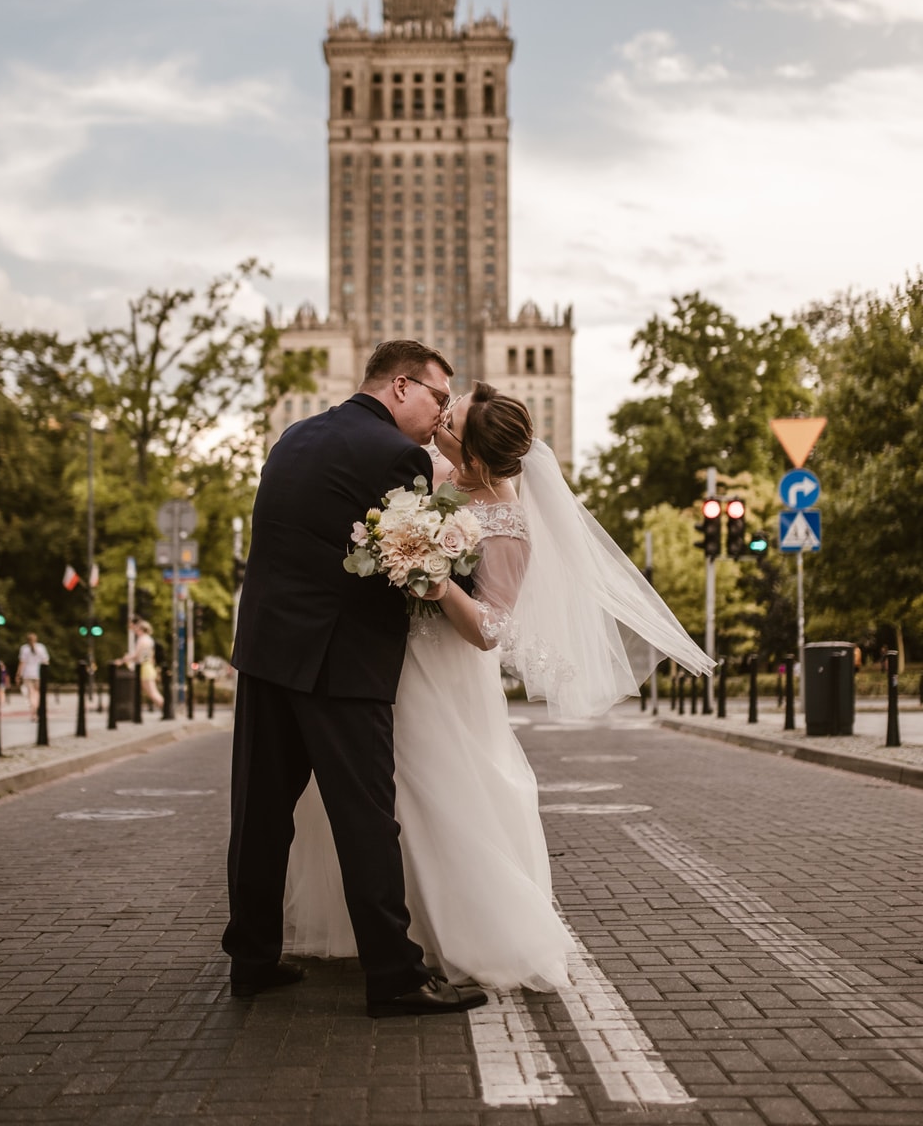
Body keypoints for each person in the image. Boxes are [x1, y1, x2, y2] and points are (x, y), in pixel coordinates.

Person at [284, 382, 715, 989]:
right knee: (382, 797)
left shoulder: (507, 523)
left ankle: (475, 933)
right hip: (394, 661)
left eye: (450, 420)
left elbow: (490, 629)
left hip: (446, 676)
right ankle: (384, 928)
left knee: (439, 796)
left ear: (478, 458)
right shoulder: (437, 469)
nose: (439, 420)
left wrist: (433, 579)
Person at [223, 340, 487, 1019]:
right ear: (400, 388)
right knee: (367, 821)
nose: (440, 415)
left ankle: (251, 960)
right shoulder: (395, 457)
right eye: (436, 398)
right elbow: (405, 560)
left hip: (265, 651)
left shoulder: (293, 436)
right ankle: (394, 975)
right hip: (342, 662)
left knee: (258, 816)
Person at [121, 620, 164, 712]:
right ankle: (165, 709)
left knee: (152, 692)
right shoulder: (149, 639)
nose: (135, 630)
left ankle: (166, 709)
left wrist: (124, 659)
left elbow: (137, 655)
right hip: (148, 666)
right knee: (148, 691)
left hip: (144, 667)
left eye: (137, 628)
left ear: (141, 629)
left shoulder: (142, 640)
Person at [16, 632, 49, 720]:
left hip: (27, 674)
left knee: (31, 694)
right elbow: (45, 661)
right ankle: (37, 708)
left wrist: (18, 674)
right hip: (38, 674)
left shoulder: (24, 648)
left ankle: (33, 711)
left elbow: (22, 663)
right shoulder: (41, 648)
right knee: (37, 693)